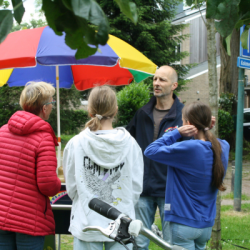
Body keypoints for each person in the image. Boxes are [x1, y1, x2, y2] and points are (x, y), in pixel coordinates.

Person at [63, 85, 144, 250]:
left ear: (89, 110)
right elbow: (135, 188)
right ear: (115, 110)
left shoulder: (75, 144)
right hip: (122, 223)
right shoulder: (131, 145)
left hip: (87, 221)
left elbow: (72, 187)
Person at [144, 101, 230, 250]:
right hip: (206, 225)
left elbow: (150, 150)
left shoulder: (189, 148)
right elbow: (209, 139)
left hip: (182, 224)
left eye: (182, 123)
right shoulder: (223, 147)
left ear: (188, 124)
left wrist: (176, 133)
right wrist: (206, 127)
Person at [126, 65, 183, 249]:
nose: (156, 83)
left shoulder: (183, 116)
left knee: (170, 243)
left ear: (174, 85)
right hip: (142, 188)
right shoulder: (142, 113)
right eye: (155, 79)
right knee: (139, 242)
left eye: (162, 80)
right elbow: (127, 142)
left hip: (170, 190)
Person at [0, 81, 61, 250]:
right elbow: (48, 185)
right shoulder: (43, 137)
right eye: (52, 102)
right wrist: (59, 183)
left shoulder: (3, 131)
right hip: (28, 219)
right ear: (44, 108)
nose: (52, 106)